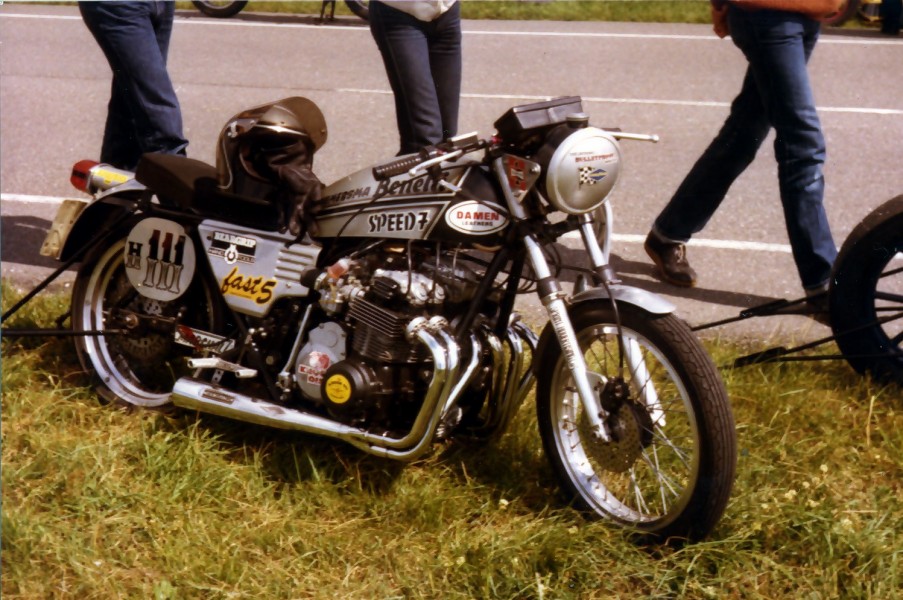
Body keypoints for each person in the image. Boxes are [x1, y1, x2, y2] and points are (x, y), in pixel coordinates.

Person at [644, 0, 841, 316]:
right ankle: (824, 285)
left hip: (804, 14)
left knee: (743, 135)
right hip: (769, 17)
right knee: (802, 144)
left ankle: (668, 232)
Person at [79, 1, 189, 171]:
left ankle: (118, 190)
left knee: (131, 107)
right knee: (161, 125)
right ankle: (181, 195)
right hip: (119, 6)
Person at [368, 0, 462, 156]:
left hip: (446, 11)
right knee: (425, 139)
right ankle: (410, 175)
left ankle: (411, 176)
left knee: (447, 137)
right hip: (399, 14)